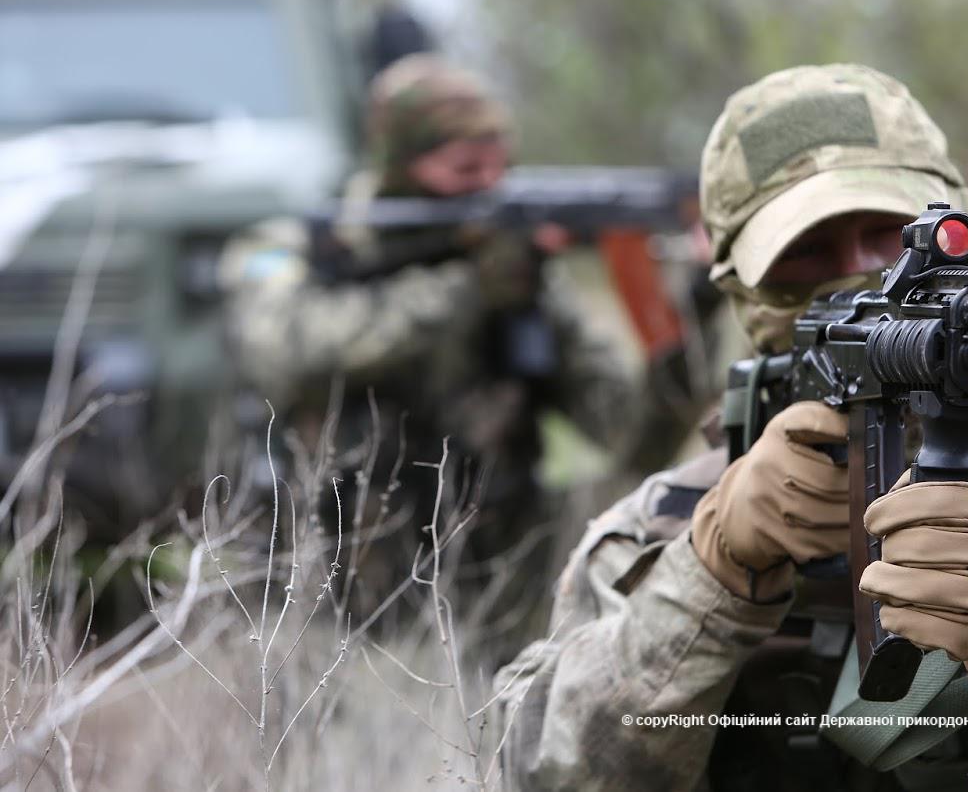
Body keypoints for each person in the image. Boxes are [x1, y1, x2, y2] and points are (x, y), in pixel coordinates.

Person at [493, 64, 968, 790]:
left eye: (892, 235)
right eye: (807, 253)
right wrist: (712, 574)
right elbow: (542, 771)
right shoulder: (675, 517)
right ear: (738, 289)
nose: (865, 276)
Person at [219, 54, 667, 648]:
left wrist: (680, 318)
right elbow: (287, 350)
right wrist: (465, 292)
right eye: (464, 168)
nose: (488, 185)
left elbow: (628, 427)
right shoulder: (302, 246)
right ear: (398, 163)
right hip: (331, 589)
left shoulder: (514, 273)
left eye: (498, 165)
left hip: (497, 588)